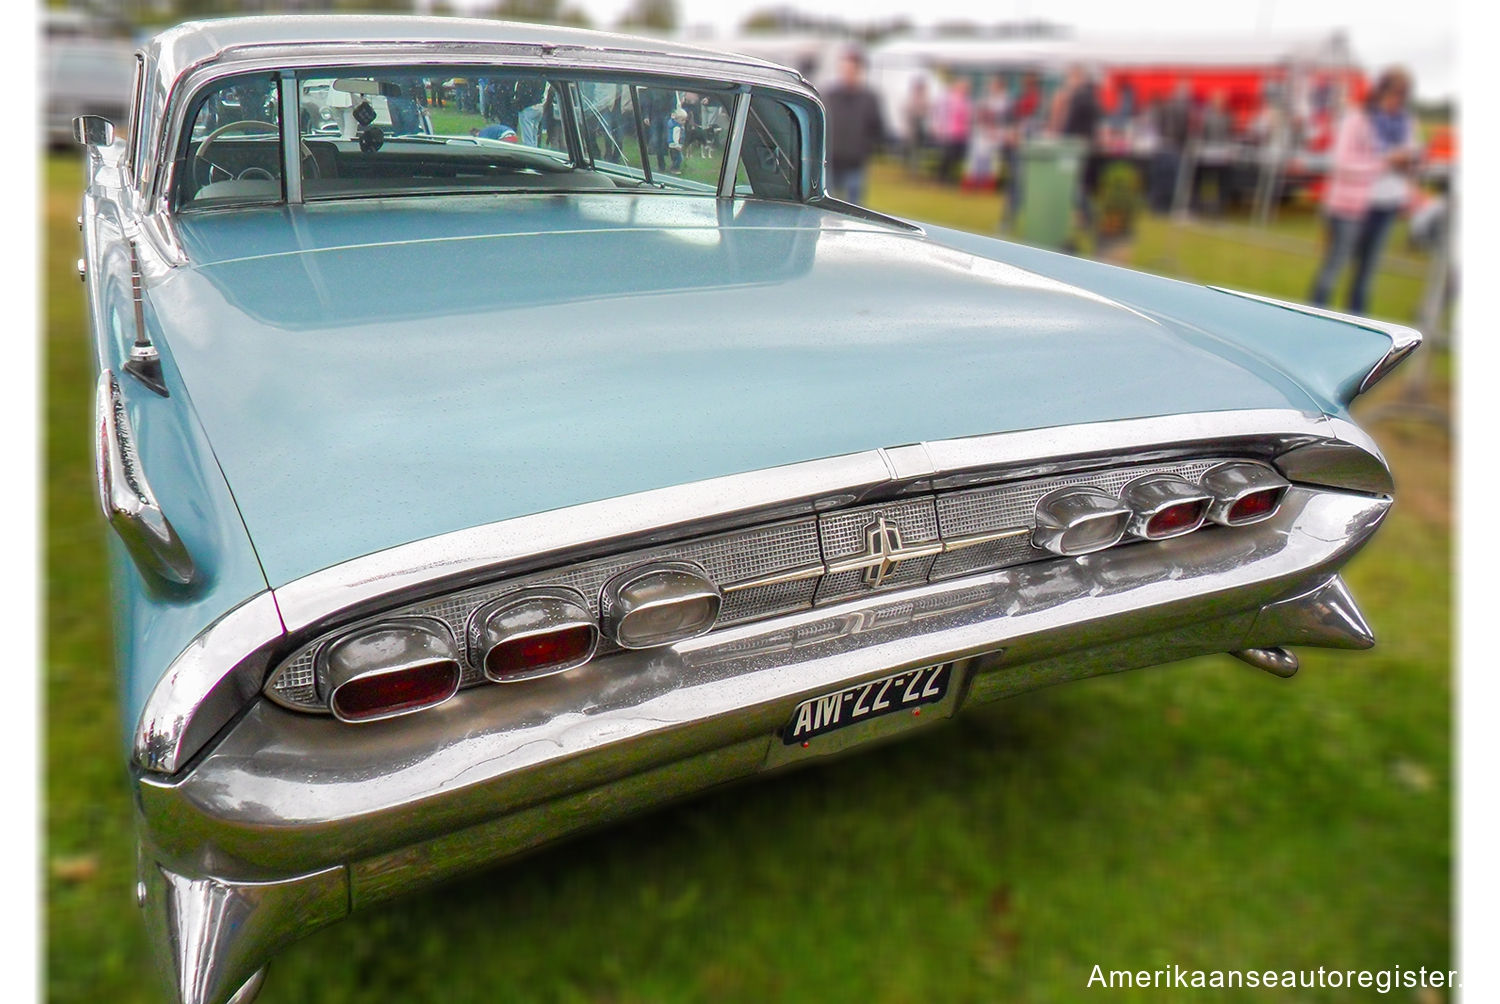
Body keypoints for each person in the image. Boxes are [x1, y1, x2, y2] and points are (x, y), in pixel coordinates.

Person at [1308, 68, 1421, 315]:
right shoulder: (1357, 119)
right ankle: (1313, 319)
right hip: (1350, 206)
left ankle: (1359, 328)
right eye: (1393, 94)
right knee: (1335, 266)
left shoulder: (1406, 124)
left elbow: (1413, 155)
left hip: (1387, 205)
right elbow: (1341, 163)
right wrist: (1385, 162)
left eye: (1402, 96)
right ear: (1381, 92)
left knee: (1366, 273)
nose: (1396, 101)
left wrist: (1409, 166)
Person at [823, 49, 886, 205]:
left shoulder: (869, 99)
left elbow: (877, 128)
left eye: (850, 70)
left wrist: (865, 147)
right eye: (843, 69)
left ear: (859, 71)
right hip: (831, 162)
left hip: (855, 164)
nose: (846, 74)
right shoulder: (829, 96)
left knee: (854, 207)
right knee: (828, 207)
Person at [964, 76, 1008, 189]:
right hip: (983, 131)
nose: (992, 88)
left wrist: (993, 128)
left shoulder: (1004, 101)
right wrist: (984, 123)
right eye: (991, 86)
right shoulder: (986, 99)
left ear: (1000, 87)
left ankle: (988, 184)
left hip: (996, 132)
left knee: (992, 158)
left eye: (995, 86)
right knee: (976, 156)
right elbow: (980, 114)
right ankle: (973, 181)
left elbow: (1001, 118)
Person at [1195, 90, 1234, 216]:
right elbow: (1203, 134)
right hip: (1208, 152)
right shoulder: (1207, 117)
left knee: (1222, 181)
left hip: (1222, 153)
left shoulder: (1228, 116)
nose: (1219, 103)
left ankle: (1219, 208)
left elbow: (1230, 134)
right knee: (1202, 179)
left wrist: (1229, 149)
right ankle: (1199, 206)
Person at [935, 77, 972, 183]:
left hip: (962, 133)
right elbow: (942, 114)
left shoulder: (967, 101)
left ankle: (949, 175)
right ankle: (942, 176)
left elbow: (968, 117)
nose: (965, 89)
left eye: (967, 88)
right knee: (948, 155)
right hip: (950, 131)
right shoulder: (950, 99)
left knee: (957, 156)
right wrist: (940, 127)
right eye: (963, 87)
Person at [902, 77, 931, 174]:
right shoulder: (911, 98)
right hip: (913, 126)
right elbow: (906, 111)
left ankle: (915, 168)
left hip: (920, 126)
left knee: (917, 148)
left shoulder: (924, 98)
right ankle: (912, 169)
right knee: (912, 148)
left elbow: (927, 111)